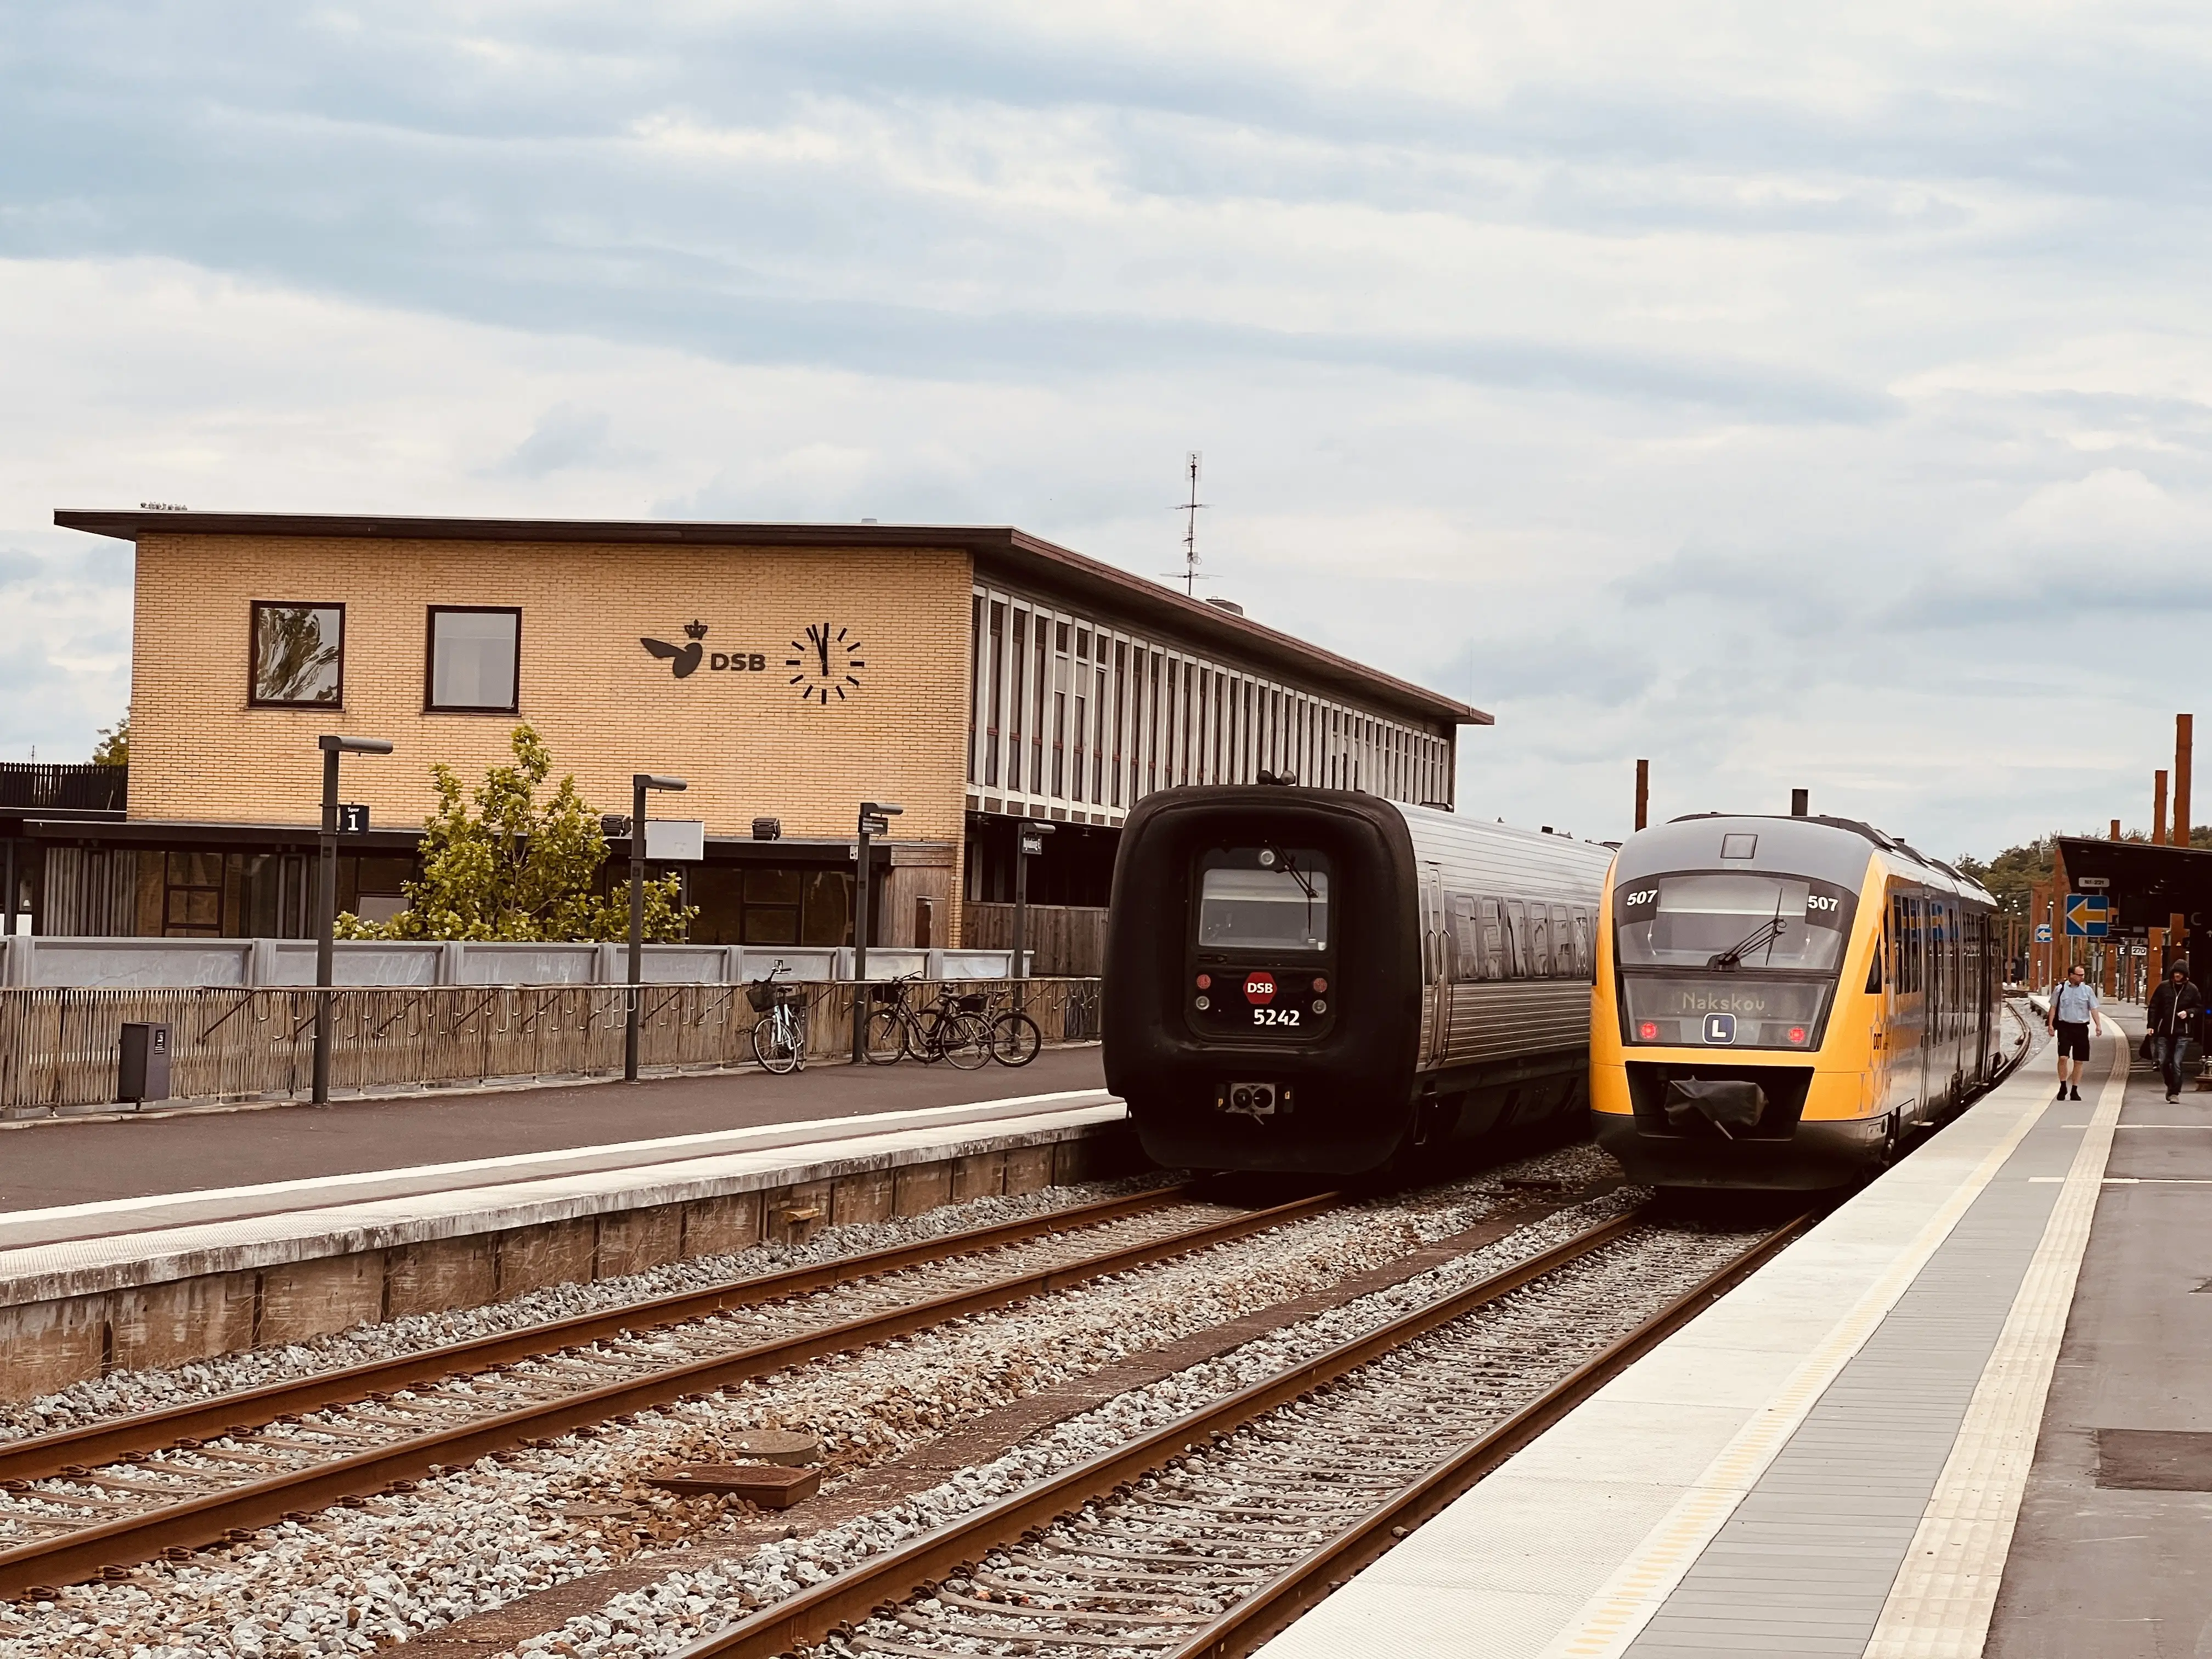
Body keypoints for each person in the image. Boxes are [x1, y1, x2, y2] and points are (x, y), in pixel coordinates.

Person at [2147, 961, 2205, 1104]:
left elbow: (2199, 1008)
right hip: (2164, 1032)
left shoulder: (2192, 990)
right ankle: (2170, 1085)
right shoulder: (2163, 987)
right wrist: (2151, 1025)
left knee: (2177, 1063)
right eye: (2175, 972)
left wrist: (2189, 1013)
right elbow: (2153, 1007)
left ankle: (2174, 1093)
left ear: (2185, 975)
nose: (2177, 975)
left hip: (2182, 1033)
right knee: (2163, 1062)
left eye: (2180, 973)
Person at [2047, 964, 2106, 1102]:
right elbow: (2053, 1007)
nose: (2082, 978)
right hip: (2064, 1027)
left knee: (2079, 1061)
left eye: (2083, 975)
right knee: (2063, 1057)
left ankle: (2074, 1089)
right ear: (2071, 975)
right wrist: (2050, 1025)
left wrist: (2098, 1025)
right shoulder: (2060, 989)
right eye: (2080, 975)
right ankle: (2063, 1086)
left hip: (2081, 1028)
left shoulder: (2087, 990)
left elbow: (2093, 1009)